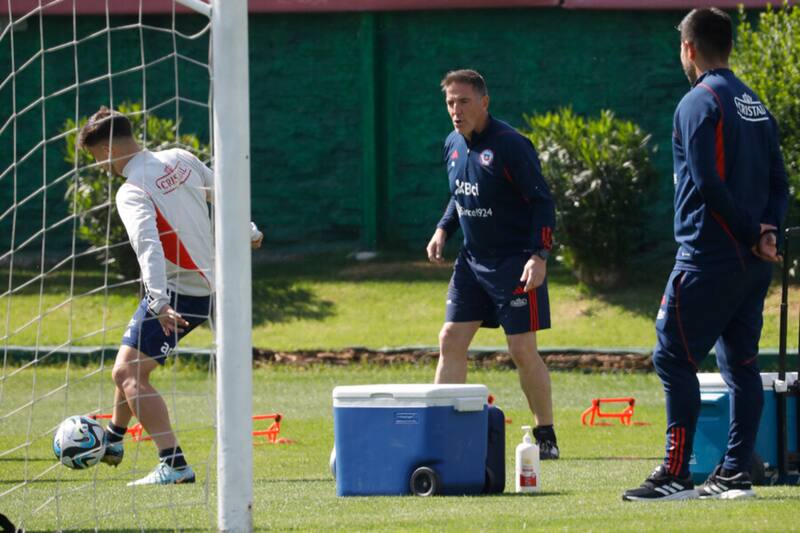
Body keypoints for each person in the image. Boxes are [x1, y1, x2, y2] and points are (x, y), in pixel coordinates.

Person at [623, 8, 788, 501]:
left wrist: (744, 232)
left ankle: (676, 474)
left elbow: (706, 182)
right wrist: (767, 234)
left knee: (672, 356)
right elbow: (779, 183)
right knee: (740, 365)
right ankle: (734, 473)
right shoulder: (755, 103)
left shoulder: (699, 101)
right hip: (752, 263)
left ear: (689, 49)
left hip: (708, 257)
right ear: (729, 47)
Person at [78, 106, 263, 486]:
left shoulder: (131, 191)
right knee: (129, 364)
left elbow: (149, 246)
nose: (100, 167)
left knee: (127, 373)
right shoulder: (178, 157)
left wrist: (160, 302)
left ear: (110, 149)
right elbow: (224, 194)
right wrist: (248, 230)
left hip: (180, 292)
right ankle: (113, 439)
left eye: (97, 158)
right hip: (206, 284)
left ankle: (174, 464)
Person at [426, 69, 559, 458]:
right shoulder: (452, 143)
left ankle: (546, 436)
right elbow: (459, 194)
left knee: (521, 349)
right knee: (450, 339)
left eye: (464, 101)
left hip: (514, 263)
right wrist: (442, 230)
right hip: (472, 262)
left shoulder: (511, 145)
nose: (456, 109)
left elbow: (542, 202)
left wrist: (539, 255)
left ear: (484, 102)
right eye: (450, 102)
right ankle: (442, 432)